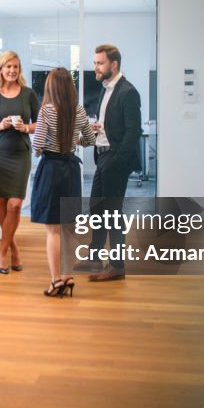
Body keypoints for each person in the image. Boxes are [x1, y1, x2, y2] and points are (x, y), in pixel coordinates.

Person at [30, 68, 96, 297]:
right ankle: (68, 277)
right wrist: (71, 139)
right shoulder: (79, 110)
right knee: (68, 229)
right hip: (70, 171)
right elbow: (89, 140)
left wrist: (43, 146)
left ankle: (56, 280)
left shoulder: (46, 110)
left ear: (51, 87)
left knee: (53, 231)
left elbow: (38, 145)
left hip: (51, 170)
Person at [84, 44, 142, 282]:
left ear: (113, 64)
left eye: (100, 63)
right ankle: (95, 256)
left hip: (116, 159)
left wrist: (117, 161)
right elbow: (110, 123)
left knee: (112, 213)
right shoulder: (105, 90)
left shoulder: (128, 91)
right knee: (97, 208)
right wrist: (98, 128)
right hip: (103, 155)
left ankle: (117, 265)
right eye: (96, 62)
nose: (96, 67)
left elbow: (133, 132)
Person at [0, 50, 39, 274]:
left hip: (20, 154)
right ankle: (13, 248)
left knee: (15, 204)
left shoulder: (28, 94)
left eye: (16, 67)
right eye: (8, 67)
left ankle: (1, 252)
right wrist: (0, 125)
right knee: (3, 205)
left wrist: (26, 127)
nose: (12, 71)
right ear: (0, 70)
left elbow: (40, 124)